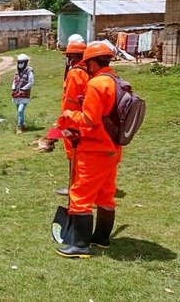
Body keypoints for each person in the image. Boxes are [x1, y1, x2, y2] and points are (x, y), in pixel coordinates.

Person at [56, 42, 121, 258]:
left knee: (80, 195)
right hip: (112, 149)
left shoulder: (96, 84)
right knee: (105, 194)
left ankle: (81, 245)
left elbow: (89, 119)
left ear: (92, 62)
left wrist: (69, 116)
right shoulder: (117, 81)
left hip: (94, 149)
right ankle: (101, 238)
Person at [55, 40, 89, 196]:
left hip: (74, 121)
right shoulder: (89, 71)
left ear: (75, 56)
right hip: (86, 119)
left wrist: (63, 123)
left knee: (73, 154)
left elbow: (70, 100)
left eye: (69, 56)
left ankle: (74, 188)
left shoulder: (75, 73)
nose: (67, 59)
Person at [11, 54, 35, 134]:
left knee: (20, 110)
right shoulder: (17, 72)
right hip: (17, 95)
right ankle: (22, 124)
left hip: (24, 95)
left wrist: (23, 88)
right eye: (19, 62)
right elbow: (14, 81)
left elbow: (31, 82)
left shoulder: (29, 71)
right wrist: (13, 88)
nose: (20, 64)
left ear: (26, 62)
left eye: (22, 62)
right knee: (19, 111)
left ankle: (19, 127)